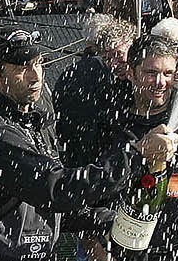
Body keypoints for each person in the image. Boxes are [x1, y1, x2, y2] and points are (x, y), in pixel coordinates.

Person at [0, 26, 175, 261]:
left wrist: (111, 222)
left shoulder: (33, 123)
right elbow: (55, 190)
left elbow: (54, 207)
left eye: (38, 63)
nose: (36, 76)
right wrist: (135, 154)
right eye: (22, 68)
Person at [79, 36, 178, 261]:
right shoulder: (107, 124)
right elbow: (84, 190)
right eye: (150, 72)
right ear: (131, 73)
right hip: (119, 259)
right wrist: (93, 247)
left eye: (167, 73)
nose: (159, 82)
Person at [56, 15, 138, 171]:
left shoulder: (146, 81)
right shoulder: (113, 86)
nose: (114, 64)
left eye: (119, 55)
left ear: (134, 48)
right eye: (108, 58)